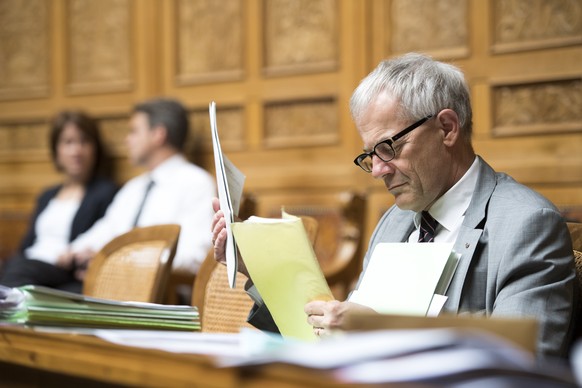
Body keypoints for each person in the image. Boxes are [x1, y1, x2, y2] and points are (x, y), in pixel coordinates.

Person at [211, 53, 578, 359]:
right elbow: (326, 343)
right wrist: (259, 269)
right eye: (371, 155)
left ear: (447, 128)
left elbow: (525, 362)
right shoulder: (395, 221)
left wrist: (378, 330)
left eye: (389, 147)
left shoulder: (527, 225)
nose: (378, 171)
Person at [67, 97, 216, 280]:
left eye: (134, 131)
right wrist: (71, 253)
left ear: (158, 134)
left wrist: (121, 262)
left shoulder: (196, 183)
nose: (127, 140)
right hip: (109, 284)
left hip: (161, 296)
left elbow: (194, 257)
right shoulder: (134, 188)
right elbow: (106, 229)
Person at [0, 110, 118, 292]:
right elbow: (26, 245)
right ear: (57, 150)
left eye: (84, 141)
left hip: (61, 269)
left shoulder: (105, 192)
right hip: (27, 265)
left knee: (18, 271)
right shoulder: (47, 195)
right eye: (68, 142)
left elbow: (105, 237)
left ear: (95, 148)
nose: (76, 151)